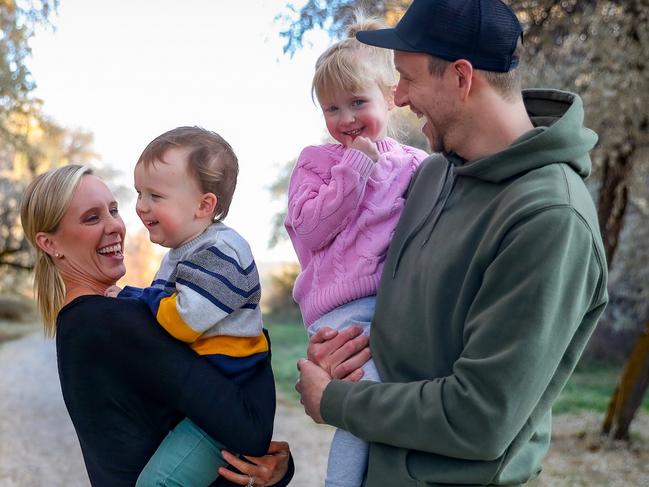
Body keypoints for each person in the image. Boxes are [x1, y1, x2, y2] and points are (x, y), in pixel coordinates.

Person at [295, 0, 609, 486]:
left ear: (461, 78)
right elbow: (404, 321)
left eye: (409, 79)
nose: (396, 98)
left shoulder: (550, 219)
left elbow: (479, 417)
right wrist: (340, 353)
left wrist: (334, 401)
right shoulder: (432, 174)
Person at [19, 164, 293, 487]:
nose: (115, 227)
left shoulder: (86, 321)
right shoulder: (106, 322)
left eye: (113, 210)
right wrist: (277, 468)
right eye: (92, 218)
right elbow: (247, 426)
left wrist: (270, 471)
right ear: (50, 244)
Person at [284, 15, 427, 487]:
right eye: (332, 109)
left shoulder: (416, 165)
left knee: (393, 394)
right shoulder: (318, 163)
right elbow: (309, 232)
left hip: (391, 308)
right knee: (367, 395)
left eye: (358, 103)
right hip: (340, 308)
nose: (345, 120)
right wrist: (354, 168)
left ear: (390, 97)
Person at [104, 126, 269, 486]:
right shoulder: (188, 251)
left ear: (203, 205)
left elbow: (183, 320)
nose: (141, 206)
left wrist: (132, 296)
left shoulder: (220, 252)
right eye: (139, 193)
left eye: (155, 195)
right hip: (206, 395)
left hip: (225, 405)